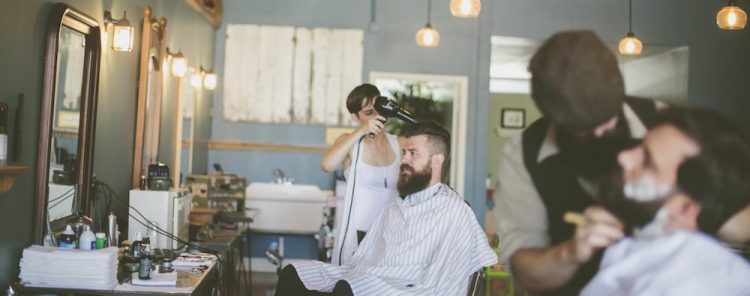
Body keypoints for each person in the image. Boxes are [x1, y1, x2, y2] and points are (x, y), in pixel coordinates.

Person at [493, 30, 666, 295]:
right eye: (583, 130)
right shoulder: (523, 154)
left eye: (607, 123)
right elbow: (527, 275)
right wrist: (572, 252)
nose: (598, 135)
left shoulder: (667, 125)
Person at [275, 121, 497, 296]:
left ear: (436, 161)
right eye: (404, 153)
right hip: (376, 276)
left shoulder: (455, 210)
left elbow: (452, 278)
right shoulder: (395, 204)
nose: (404, 160)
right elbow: (366, 259)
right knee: (293, 273)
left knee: (347, 288)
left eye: (413, 154)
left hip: (411, 288)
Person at [581, 107, 750, 295]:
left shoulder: (692, 287)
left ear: (685, 210)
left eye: (647, 162)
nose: (623, 157)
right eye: (639, 147)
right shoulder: (646, 251)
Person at [320, 83, 401, 265]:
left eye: (378, 109)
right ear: (355, 117)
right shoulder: (350, 143)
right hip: (358, 231)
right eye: (368, 112)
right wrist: (363, 131)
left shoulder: (399, 144)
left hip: (390, 233)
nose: (376, 116)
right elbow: (327, 165)